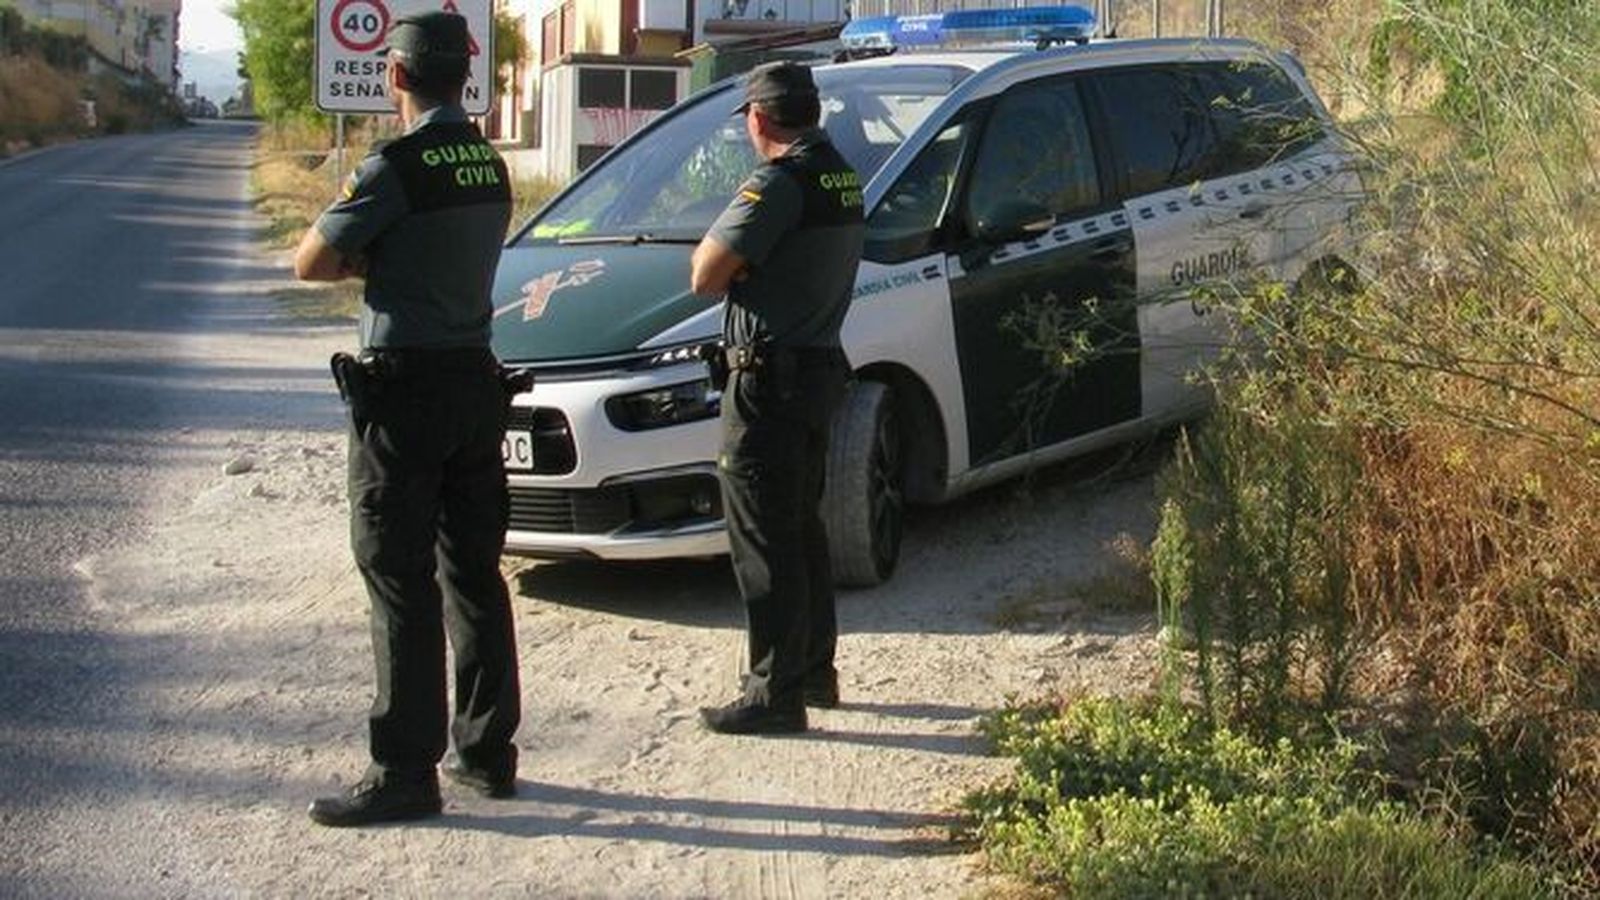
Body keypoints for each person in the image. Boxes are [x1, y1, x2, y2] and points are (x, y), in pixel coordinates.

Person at [293, 11, 521, 826]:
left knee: (397, 574)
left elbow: (312, 260)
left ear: (394, 75)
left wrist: (373, 260)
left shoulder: (395, 166)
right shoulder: (490, 163)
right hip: (474, 383)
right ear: (465, 75)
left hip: (405, 392)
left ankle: (404, 771)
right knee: (474, 572)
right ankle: (488, 755)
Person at [690, 62, 865, 735]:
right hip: (816, 370)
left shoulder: (777, 183)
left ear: (759, 118)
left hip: (768, 380)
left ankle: (773, 692)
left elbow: (705, 274)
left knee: (762, 537)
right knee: (800, 527)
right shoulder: (840, 174)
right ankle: (814, 670)